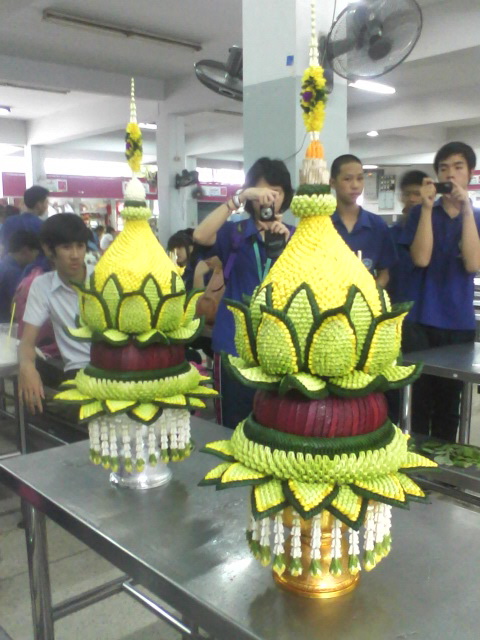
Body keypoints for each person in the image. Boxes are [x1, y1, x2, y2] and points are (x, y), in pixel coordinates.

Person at [193, 157, 295, 429]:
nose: (269, 199)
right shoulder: (235, 233)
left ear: (286, 196)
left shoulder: (295, 237)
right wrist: (238, 198)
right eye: (262, 192)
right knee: (231, 427)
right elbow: (200, 236)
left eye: (276, 192)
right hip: (233, 345)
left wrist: (286, 247)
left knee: (275, 429)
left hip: (279, 348)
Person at [400, 141, 480, 442]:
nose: (450, 174)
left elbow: (473, 263)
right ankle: (416, 461)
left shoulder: (476, 216)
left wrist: (467, 211)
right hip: (421, 320)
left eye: (458, 167)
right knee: (418, 400)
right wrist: (426, 208)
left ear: (470, 173)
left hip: (458, 323)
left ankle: (445, 462)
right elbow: (421, 258)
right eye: (444, 168)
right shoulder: (421, 213)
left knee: (449, 405)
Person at [19, 214, 92, 414]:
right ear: (48, 249)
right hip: (77, 374)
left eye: (80, 246)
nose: (75, 255)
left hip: (114, 367)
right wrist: (27, 367)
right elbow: (27, 342)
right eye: (66, 247)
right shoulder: (42, 286)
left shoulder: (104, 278)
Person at [330, 154, 397, 287]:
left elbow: (385, 273)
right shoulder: (321, 223)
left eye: (360, 178)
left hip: (366, 297)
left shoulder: (377, 225)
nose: (355, 185)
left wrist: (370, 294)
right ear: (333, 183)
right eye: (347, 179)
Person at [387, 170, 429, 305]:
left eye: (417, 194)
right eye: (407, 194)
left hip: (427, 305)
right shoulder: (392, 234)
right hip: (398, 302)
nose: (411, 199)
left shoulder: (436, 231)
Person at [0, 231, 40, 322]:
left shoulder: (3, 264)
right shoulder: (13, 273)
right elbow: (20, 303)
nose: (35, 258)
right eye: (35, 253)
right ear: (25, 251)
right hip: (5, 322)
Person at [0, 186, 49, 256]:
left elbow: (2, 246)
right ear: (39, 205)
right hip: (35, 262)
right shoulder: (42, 225)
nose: (47, 206)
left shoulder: (9, 221)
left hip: (9, 261)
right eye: (46, 203)